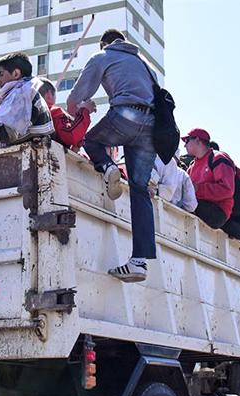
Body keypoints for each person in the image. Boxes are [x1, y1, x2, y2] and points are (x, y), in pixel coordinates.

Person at [66, 28, 158, 283]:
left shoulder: (102, 56)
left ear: (104, 43)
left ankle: (108, 167)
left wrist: (81, 109)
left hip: (126, 115)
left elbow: (74, 100)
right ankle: (138, 262)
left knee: (92, 140)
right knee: (140, 190)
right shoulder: (145, 64)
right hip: (152, 126)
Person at [184, 128, 236, 230]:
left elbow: (227, 190)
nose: (185, 145)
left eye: (187, 141)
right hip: (199, 205)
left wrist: (198, 188)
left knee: (185, 204)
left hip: (218, 211)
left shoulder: (218, 158)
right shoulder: (191, 166)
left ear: (197, 140)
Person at [38, 77, 95, 151]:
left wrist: (75, 148)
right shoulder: (53, 111)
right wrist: (84, 110)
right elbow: (71, 136)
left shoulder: (27, 115)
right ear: (49, 94)